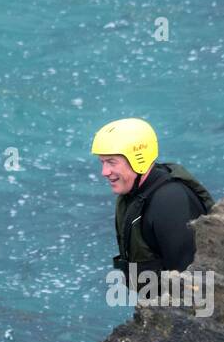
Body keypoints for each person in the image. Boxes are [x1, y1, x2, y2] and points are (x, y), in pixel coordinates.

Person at [91, 118, 215, 288]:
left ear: (138, 159)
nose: (104, 172)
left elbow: (193, 282)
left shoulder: (170, 203)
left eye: (112, 162)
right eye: (102, 162)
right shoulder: (134, 194)